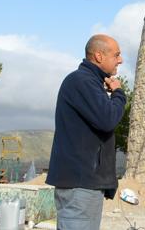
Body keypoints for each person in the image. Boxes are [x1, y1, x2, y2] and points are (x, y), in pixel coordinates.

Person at [46, 34, 126, 230]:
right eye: (116, 55)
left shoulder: (87, 82)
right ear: (99, 56)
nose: (120, 60)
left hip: (82, 184)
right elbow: (107, 120)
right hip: (80, 184)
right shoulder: (82, 81)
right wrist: (118, 94)